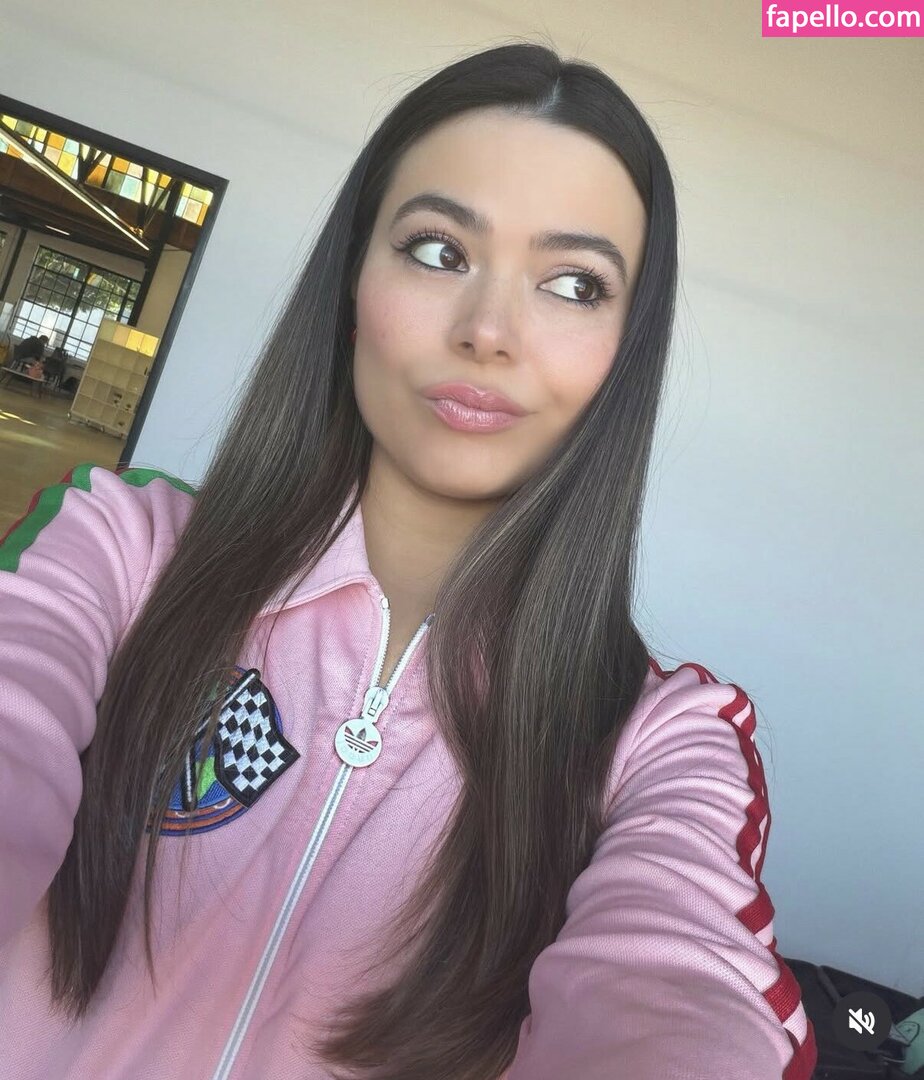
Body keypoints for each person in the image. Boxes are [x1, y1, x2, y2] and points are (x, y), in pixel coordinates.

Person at [0, 42, 818, 1080]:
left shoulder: (663, 742)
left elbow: (682, 1001)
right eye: (438, 251)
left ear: (626, 351)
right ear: (353, 279)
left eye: (575, 283)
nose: (489, 332)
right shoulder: (116, 548)